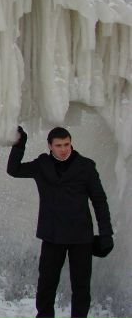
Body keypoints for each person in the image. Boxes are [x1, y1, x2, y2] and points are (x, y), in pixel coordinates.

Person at [8, 126, 113, 318]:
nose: (64, 149)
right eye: (59, 145)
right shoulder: (42, 165)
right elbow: (13, 170)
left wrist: (106, 233)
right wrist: (20, 144)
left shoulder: (86, 166)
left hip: (81, 237)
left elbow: (99, 200)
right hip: (52, 235)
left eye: (67, 144)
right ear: (50, 146)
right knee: (46, 285)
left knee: (81, 287)